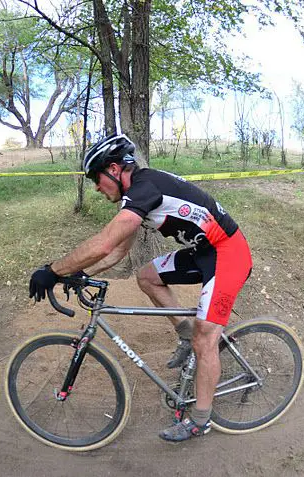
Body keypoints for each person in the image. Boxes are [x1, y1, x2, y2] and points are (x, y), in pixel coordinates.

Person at [28, 134, 252, 442]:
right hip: (204, 251)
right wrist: (79, 274)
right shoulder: (136, 197)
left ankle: (201, 420)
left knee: (207, 337)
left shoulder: (145, 189)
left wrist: (52, 271)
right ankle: (186, 337)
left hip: (228, 252)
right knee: (147, 277)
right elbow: (119, 250)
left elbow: (105, 243)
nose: (95, 186)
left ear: (116, 169)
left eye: (97, 177)